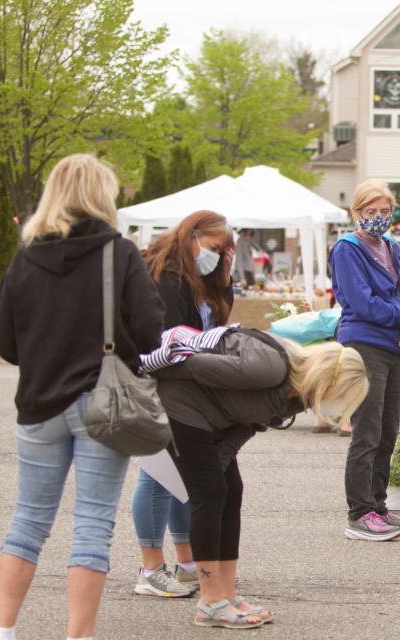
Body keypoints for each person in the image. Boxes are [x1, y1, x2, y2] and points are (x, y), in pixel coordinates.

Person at [0, 154, 165, 640]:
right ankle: (78, 636)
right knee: (92, 524)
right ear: (101, 196)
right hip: (104, 404)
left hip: (38, 402)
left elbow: (3, 339)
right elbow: (152, 331)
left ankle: (3, 631)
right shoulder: (119, 252)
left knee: (27, 521)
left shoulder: (25, 256)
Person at [155, 331, 368, 628]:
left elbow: (240, 431)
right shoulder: (271, 367)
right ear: (328, 381)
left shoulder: (292, 401)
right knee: (211, 493)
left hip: (208, 420)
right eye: (341, 395)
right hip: (179, 405)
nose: (336, 404)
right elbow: (191, 366)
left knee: (230, 490)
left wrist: (217, 467)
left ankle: (226, 595)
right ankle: (210, 601)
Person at [131, 211, 236, 599]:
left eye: (224, 251)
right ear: (191, 237)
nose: (216, 256)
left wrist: (224, 277)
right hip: (160, 383)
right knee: (156, 476)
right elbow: (169, 338)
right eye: (212, 248)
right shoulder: (165, 276)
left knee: (184, 480)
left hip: (190, 388)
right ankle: (150, 568)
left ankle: (187, 562)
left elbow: (218, 322)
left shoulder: (200, 278)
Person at [330, 180, 400, 542]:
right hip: (365, 343)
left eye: (385, 212)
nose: (379, 218)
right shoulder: (347, 249)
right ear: (356, 213)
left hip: (397, 347)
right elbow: (360, 300)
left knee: (388, 430)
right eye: (371, 212)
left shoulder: (392, 248)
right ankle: (360, 512)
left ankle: (379, 505)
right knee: (366, 431)